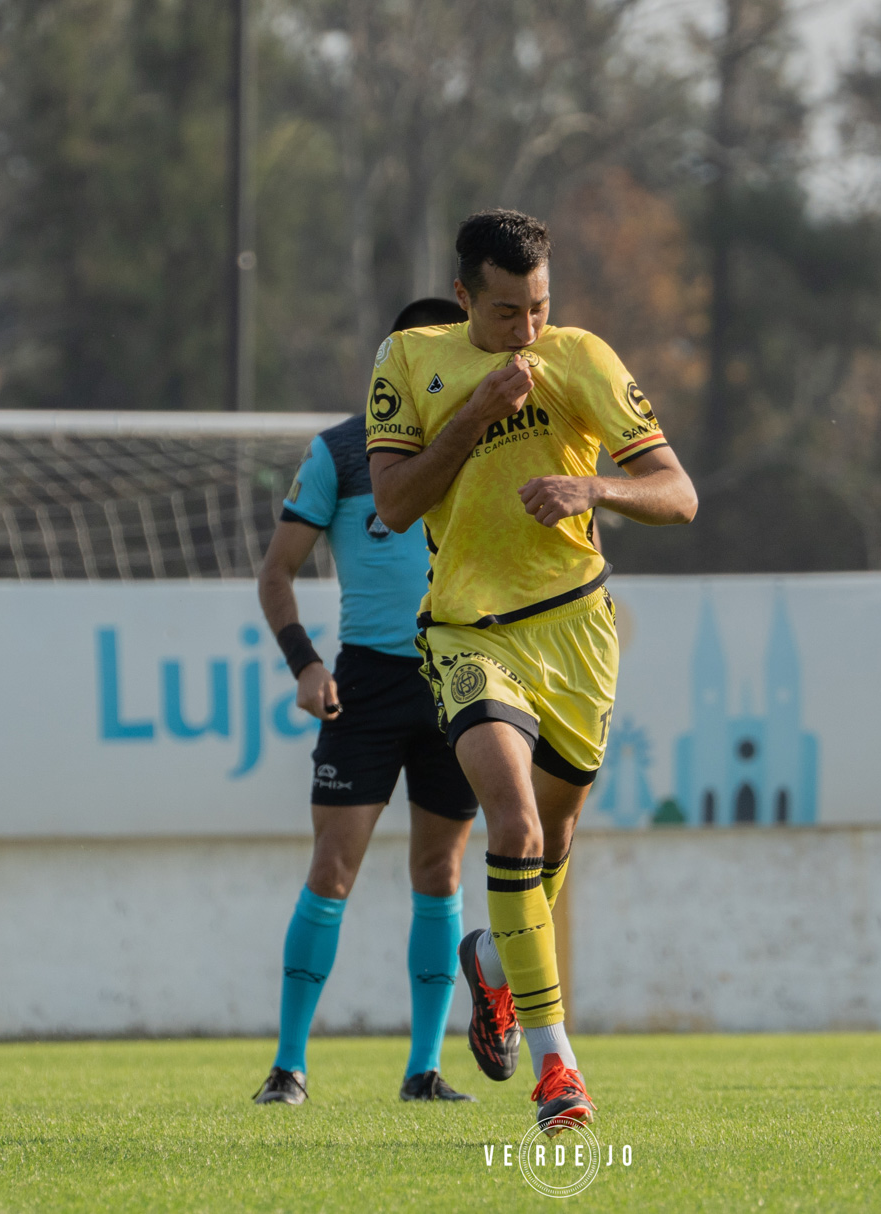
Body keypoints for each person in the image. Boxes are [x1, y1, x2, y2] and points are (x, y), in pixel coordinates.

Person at [366, 210, 697, 1133]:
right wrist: (476, 413)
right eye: (507, 312)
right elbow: (392, 505)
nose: (527, 332)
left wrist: (594, 488)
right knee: (509, 826)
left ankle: (493, 964)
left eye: (540, 309)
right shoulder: (408, 362)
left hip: (577, 632)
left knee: (548, 850)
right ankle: (561, 1072)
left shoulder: (584, 358)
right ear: (465, 296)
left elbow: (680, 494)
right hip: (469, 631)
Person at [252, 297, 482, 1107]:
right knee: (332, 867)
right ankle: (288, 1067)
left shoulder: (487, 443)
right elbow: (276, 572)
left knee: (440, 870)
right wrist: (305, 666)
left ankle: (423, 1071)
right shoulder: (342, 453)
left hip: (458, 676)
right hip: (370, 684)